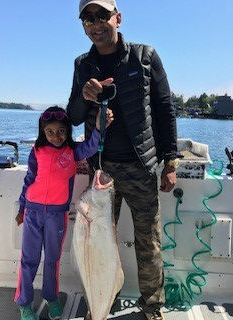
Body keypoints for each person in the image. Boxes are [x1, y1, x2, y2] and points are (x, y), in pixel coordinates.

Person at [66, 1, 179, 319]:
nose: (95, 24)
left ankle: (152, 306)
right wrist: (84, 97)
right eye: (87, 19)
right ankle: (99, 302)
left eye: (102, 15)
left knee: (149, 243)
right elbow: (73, 117)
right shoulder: (82, 65)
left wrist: (169, 163)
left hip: (141, 167)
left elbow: (165, 109)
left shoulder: (145, 56)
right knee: (96, 243)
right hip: (101, 170)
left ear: (117, 17)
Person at [14, 105, 113, 320]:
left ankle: (52, 297)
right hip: (32, 212)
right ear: (43, 132)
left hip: (57, 216)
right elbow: (28, 180)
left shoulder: (73, 152)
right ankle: (24, 303)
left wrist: (98, 127)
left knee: (52, 259)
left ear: (68, 131)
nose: (55, 136)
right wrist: (22, 207)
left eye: (61, 131)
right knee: (28, 260)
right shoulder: (36, 151)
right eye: (49, 132)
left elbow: (92, 146)